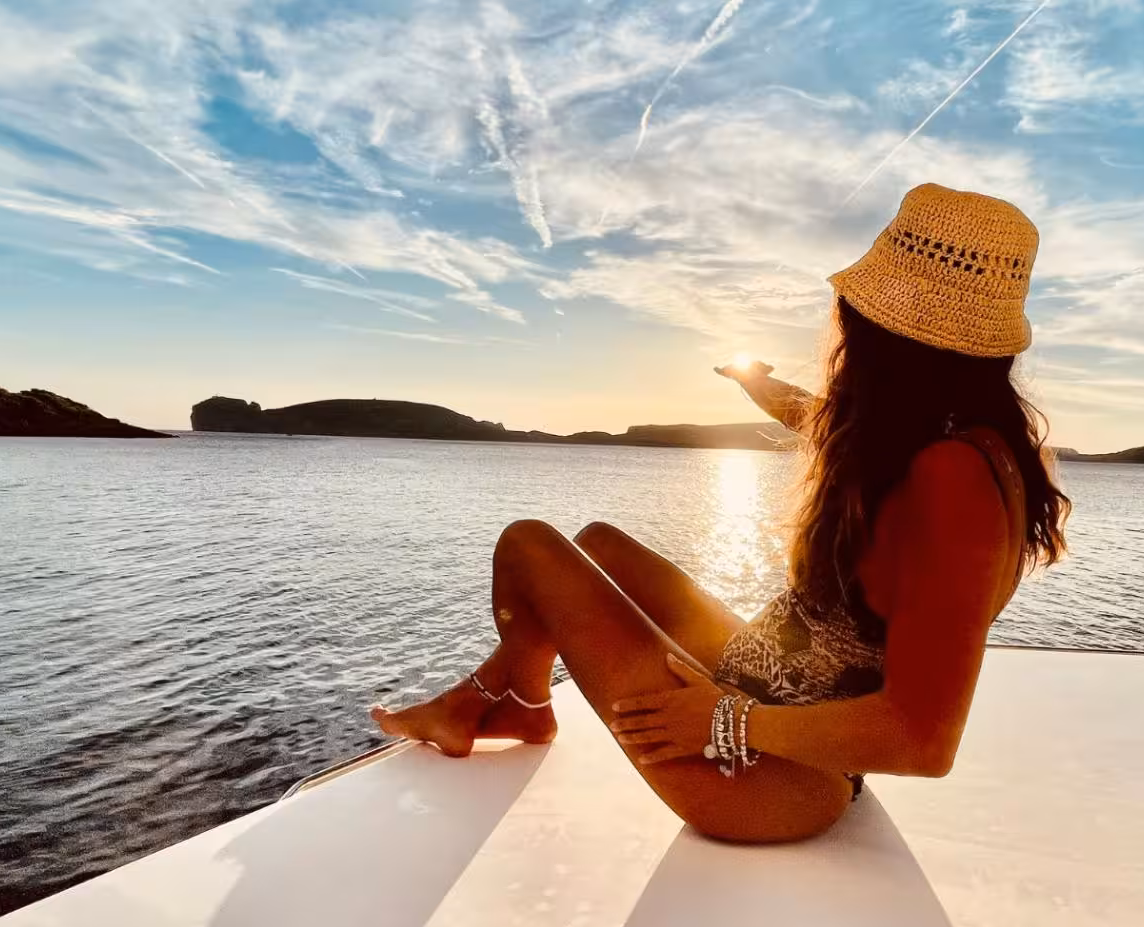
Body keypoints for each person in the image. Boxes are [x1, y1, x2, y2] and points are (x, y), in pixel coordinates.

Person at [372, 184, 1069, 843]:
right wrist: (759, 384)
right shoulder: (949, 438)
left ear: (882, 333)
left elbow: (923, 739)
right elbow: (825, 421)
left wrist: (725, 718)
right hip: (769, 692)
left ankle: (500, 703)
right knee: (597, 546)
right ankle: (514, 702)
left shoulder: (951, 478)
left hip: (781, 772)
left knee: (530, 547)